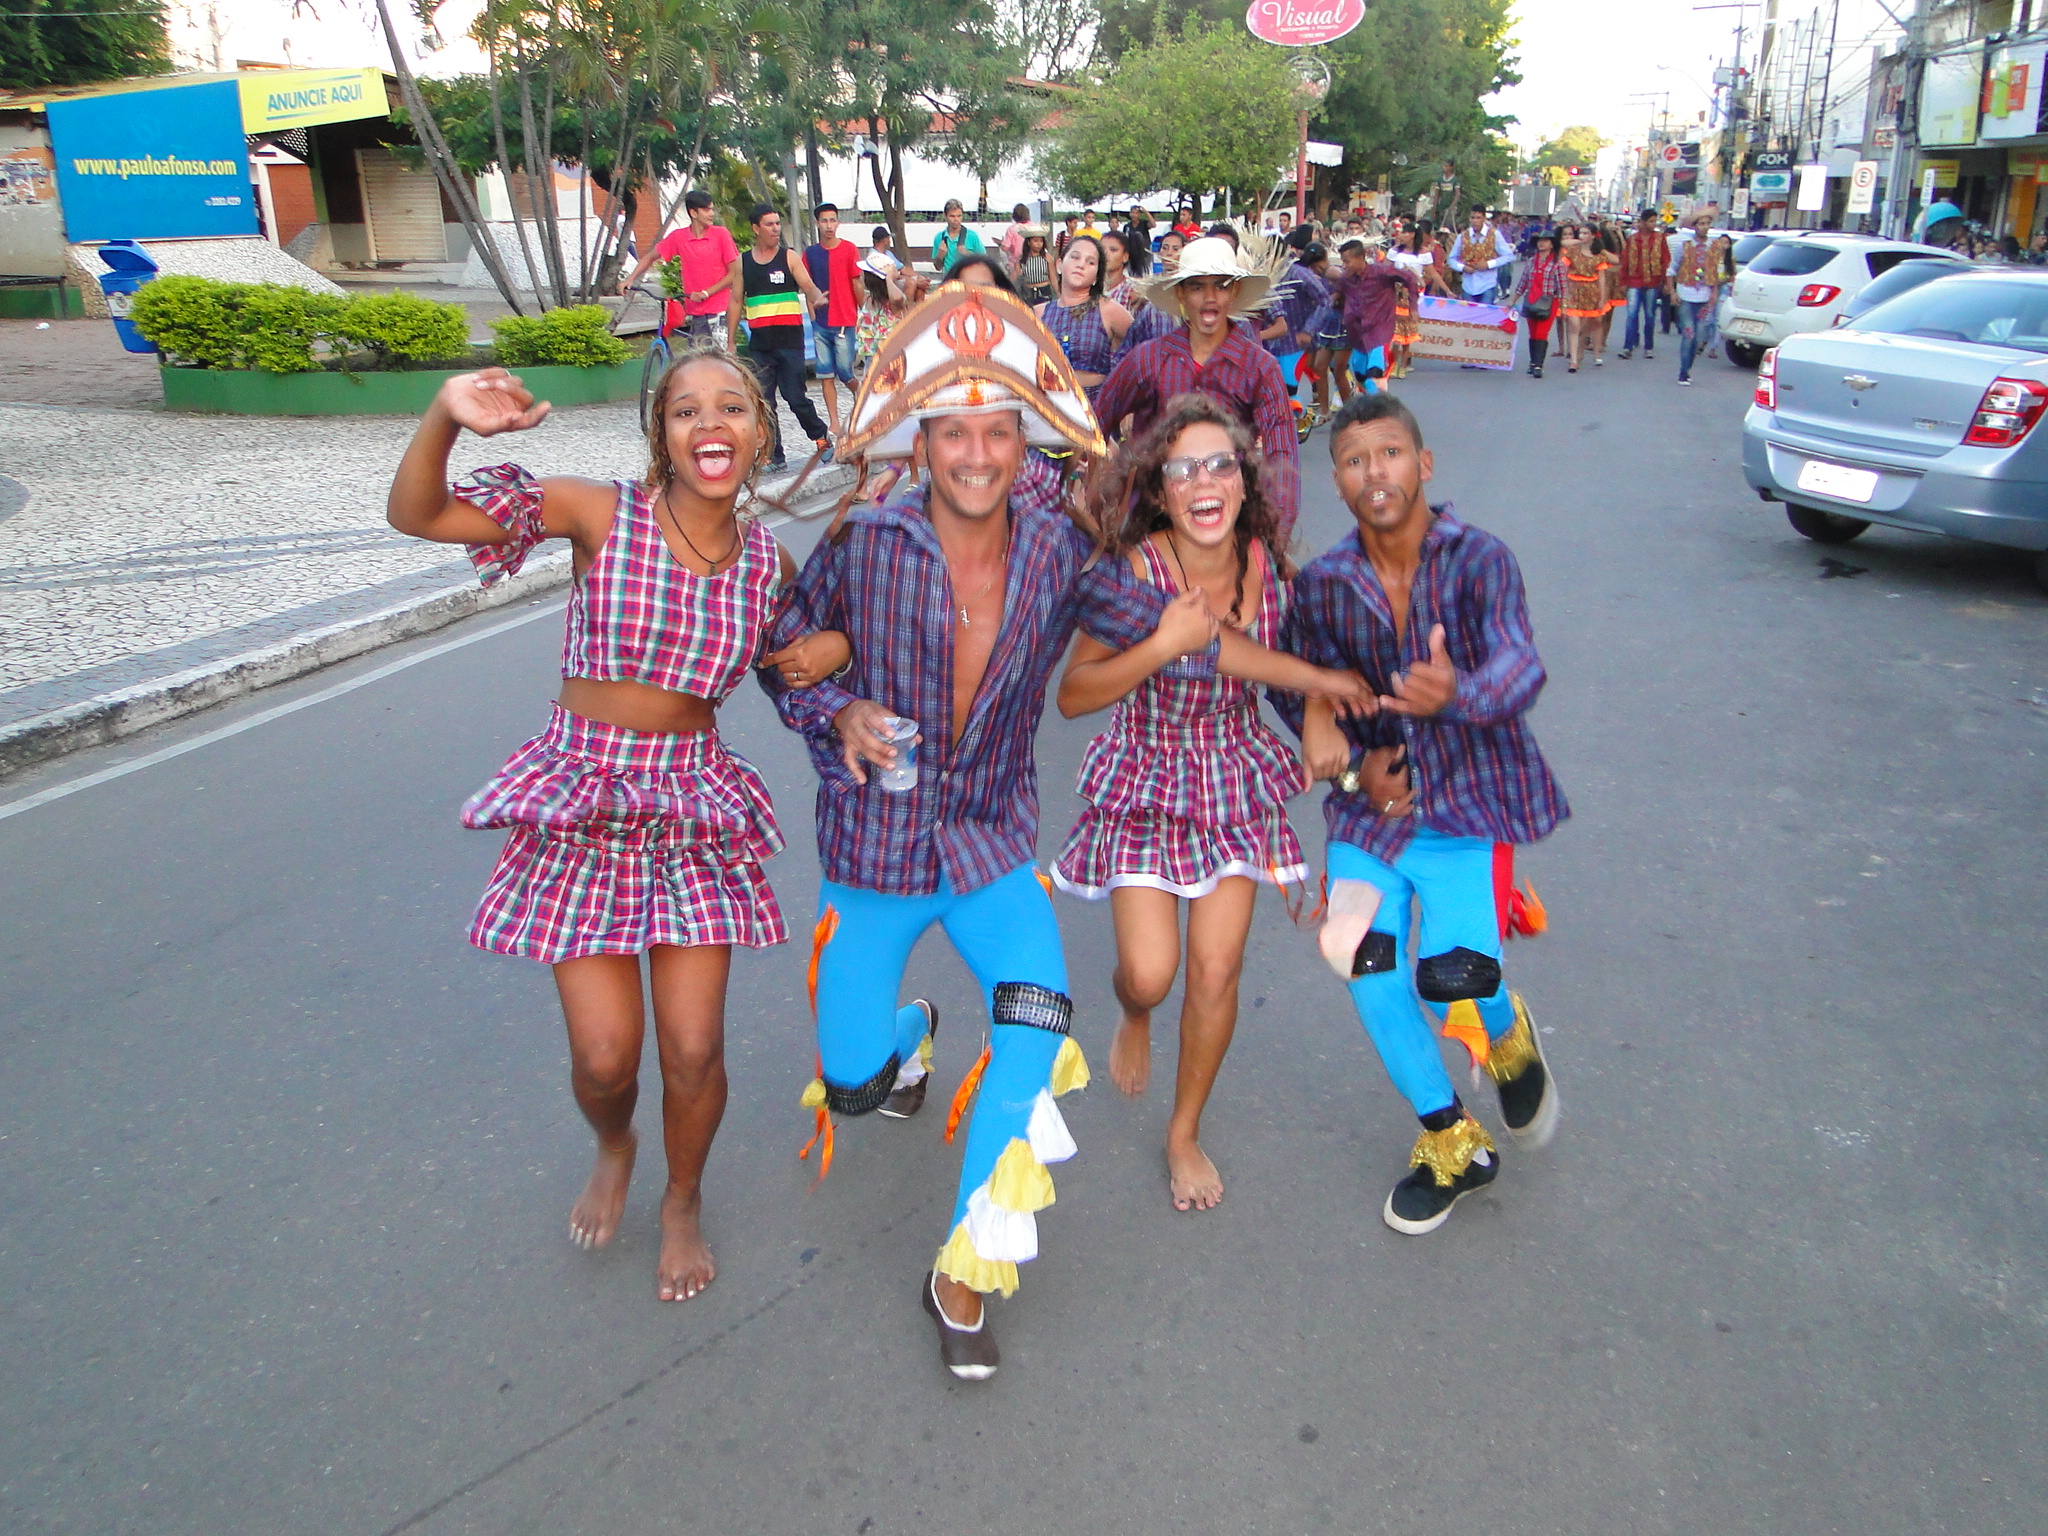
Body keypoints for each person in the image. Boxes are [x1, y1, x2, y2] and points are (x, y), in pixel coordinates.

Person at [760, 284, 1206, 1380]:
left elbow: (1155, 627)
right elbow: (782, 652)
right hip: (875, 853)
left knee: (1032, 1033)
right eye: (951, 432)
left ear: (1022, 442)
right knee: (852, 1080)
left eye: (995, 432)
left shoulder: (1060, 547)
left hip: (992, 852)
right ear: (921, 444)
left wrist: (1207, 583)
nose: (974, 453)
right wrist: (840, 709)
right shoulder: (865, 540)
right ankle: (902, 1050)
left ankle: (961, 1270)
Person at [384, 352, 846, 1301]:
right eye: (685, 410)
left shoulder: (769, 563)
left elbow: (797, 661)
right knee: (604, 1059)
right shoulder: (600, 513)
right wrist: (445, 414)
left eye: (731, 407)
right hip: (585, 796)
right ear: (661, 436)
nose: (709, 423)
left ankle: (681, 1200)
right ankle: (614, 1139)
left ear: (761, 429)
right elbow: (419, 516)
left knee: (693, 1049)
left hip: (691, 806)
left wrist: (830, 649)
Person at [1053, 395, 1367, 1211]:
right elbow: (1075, 695)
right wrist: (1160, 644)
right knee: (1151, 975)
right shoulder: (1135, 572)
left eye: (1219, 463)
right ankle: (1133, 1014)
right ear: (1159, 487)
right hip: (1145, 777)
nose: (1203, 480)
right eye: (1182, 466)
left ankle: (1183, 1130)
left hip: (1233, 780)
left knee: (1216, 968)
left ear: (1244, 476)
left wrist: (1325, 713)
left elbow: (1301, 660)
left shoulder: (1269, 566)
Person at [1279, 390, 1566, 1237]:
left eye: (1391, 453)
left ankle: (1508, 1040)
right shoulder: (1326, 587)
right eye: (1357, 459)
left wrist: (1458, 693)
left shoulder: (1481, 560)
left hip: (1465, 800)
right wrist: (1330, 734)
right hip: (1371, 812)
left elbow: (1522, 666)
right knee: (1353, 953)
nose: (1377, 472)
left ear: (1424, 463)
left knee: (1456, 984)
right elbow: (1290, 684)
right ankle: (1450, 1140)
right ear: (1336, 479)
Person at [1096, 235, 1303, 536]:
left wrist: (1275, 535)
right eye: (1196, 286)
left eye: (1220, 285)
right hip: (1155, 520)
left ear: (1234, 292)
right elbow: (1095, 422)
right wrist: (1105, 489)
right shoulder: (1149, 359)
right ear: (1180, 294)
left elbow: (1283, 457)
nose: (1210, 297)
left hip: (1233, 518)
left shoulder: (1260, 367)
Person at [728, 202, 833, 469]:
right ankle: (774, 455)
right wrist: (730, 340)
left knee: (795, 396)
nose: (776, 229)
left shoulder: (788, 258)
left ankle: (820, 437)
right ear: (755, 229)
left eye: (777, 224)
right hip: (761, 345)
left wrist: (817, 297)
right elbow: (736, 301)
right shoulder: (743, 263)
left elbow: (808, 286)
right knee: (763, 401)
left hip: (790, 342)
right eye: (769, 224)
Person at [618, 188, 737, 345]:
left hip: (720, 310)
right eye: (706, 210)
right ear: (693, 213)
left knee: (721, 361)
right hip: (695, 311)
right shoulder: (679, 237)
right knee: (696, 361)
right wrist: (630, 279)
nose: (711, 214)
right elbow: (650, 257)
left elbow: (734, 273)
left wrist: (706, 293)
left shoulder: (720, 234)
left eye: (711, 209)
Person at [1036, 235, 1132, 402]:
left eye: (1090, 262)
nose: (1081, 265)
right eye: (1075, 257)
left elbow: (1144, 348)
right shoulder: (1039, 313)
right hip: (1049, 407)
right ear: (1059, 265)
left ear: (1096, 277)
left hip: (1096, 409)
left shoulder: (1109, 310)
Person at [1324, 238, 1419, 397]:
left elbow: (1410, 279)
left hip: (1379, 331)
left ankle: (1379, 410)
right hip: (1357, 334)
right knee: (1361, 376)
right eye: (1343, 262)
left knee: (1374, 374)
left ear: (1360, 257)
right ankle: (1378, 402)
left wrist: (1413, 307)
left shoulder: (1382, 272)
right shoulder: (1346, 279)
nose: (1345, 266)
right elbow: (1336, 292)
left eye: (1347, 261)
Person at [803, 202, 863, 437]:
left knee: (845, 371)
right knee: (825, 373)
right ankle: (835, 421)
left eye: (832, 220)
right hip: (821, 322)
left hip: (844, 319)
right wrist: (812, 313)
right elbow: (807, 284)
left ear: (838, 222)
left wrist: (862, 311)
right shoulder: (810, 254)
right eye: (824, 221)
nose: (829, 225)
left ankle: (864, 397)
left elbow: (856, 282)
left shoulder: (849, 249)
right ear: (818, 224)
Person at [1666, 209, 1734, 386]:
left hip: (1704, 296)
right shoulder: (1685, 246)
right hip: (1686, 294)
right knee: (1689, 333)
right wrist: (1672, 292)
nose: (1705, 227)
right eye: (1701, 224)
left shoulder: (1715, 247)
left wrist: (1714, 293)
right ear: (1695, 226)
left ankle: (1688, 368)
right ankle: (1683, 371)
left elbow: (1717, 273)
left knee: (1698, 337)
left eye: (1707, 224)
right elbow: (1672, 269)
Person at [1511, 228, 1565, 379]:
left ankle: (1538, 365)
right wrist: (1513, 300)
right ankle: (1533, 362)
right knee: (1533, 333)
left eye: (1546, 241)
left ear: (1552, 244)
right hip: (1531, 300)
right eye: (1540, 241)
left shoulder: (1557, 264)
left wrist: (1564, 307)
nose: (1542, 244)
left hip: (1548, 301)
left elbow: (1562, 287)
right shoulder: (1530, 262)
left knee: (1542, 332)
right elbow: (1522, 283)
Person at [1617, 211, 1669, 361]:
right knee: (1632, 315)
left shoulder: (1660, 239)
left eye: (1655, 221)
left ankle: (1649, 347)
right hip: (1634, 281)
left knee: (1650, 315)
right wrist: (1623, 282)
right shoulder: (1633, 239)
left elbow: (1665, 260)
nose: (1653, 224)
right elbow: (1625, 261)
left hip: (1652, 282)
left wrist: (1666, 282)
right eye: (1651, 221)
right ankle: (1628, 347)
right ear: (1643, 222)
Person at [1386, 227, 1432, 379]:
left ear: (1412, 235)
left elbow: (1432, 274)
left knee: (1407, 336)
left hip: (1411, 296)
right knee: (1395, 336)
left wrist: (1446, 290)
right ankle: (1392, 365)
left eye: (1405, 232)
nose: (1401, 235)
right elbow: (1384, 268)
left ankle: (1402, 366)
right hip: (1395, 296)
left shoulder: (1423, 253)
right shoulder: (1395, 251)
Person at [1558, 223, 1604, 373]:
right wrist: (1562, 291)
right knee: (1574, 324)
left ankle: (1579, 351)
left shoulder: (1598, 255)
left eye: (1586, 233)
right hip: (1573, 290)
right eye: (1581, 233)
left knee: (1583, 327)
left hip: (1590, 292)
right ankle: (1573, 361)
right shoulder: (1572, 251)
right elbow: (1564, 270)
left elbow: (1601, 278)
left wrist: (1602, 298)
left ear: (1593, 235)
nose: (1582, 236)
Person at [1447, 207, 1513, 303]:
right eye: (1472, 218)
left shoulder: (1494, 235)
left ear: (1484, 218)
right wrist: (1463, 267)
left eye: (1478, 218)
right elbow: (1451, 259)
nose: (1474, 221)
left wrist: (1488, 264)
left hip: (1488, 284)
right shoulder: (1462, 236)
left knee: (1485, 315)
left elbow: (1508, 256)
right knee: (1469, 316)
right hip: (1468, 285)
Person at [932, 198, 984, 270]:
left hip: (967, 280)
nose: (956, 219)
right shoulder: (939, 237)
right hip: (949, 280)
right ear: (945, 216)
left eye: (959, 216)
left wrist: (967, 254)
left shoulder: (972, 236)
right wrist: (940, 256)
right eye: (952, 216)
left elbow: (984, 262)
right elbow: (938, 267)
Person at [1016, 227, 1053, 302]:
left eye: (1041, 241)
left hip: (1044, 291)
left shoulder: (1047, 258)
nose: (1039, 244)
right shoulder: (1021, 259)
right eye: (1035, 241)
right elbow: (1016, 276)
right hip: (1027, 292)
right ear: (1029, 242)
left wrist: (1058, 294)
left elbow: (1053, 278)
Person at [1122, 206, 1155, 275]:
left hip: (1144, 251)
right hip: (1132, 253)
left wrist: (1146, 212)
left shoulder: (1144, 223)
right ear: (1130, 214)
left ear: (1139, 214)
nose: (1134, 215)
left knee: (1145, 271)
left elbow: (1153, 225)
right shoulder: (1127, 226)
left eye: (1136, 213)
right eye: (1132, 213)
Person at [1001, 202, 1033, 268]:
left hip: (1017, 263)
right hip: (1034, 261)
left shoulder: (1011, 229)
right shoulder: (1034, 227)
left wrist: (1001, 244)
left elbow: (1005, 248)